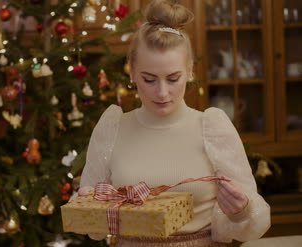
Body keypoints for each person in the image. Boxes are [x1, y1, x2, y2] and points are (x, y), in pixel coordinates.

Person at [75, 0, 271, 246]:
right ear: (133, 72)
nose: (162, 93)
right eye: (149, 79)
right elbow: (93, 228)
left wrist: (241, 209)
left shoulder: (212, 127)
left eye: (173, 78)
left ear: (189, 71)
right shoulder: (112, 127)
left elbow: (253, 221)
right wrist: (88, 204)